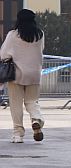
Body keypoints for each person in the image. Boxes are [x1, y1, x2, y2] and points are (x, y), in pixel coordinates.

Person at [1, 10, 45, 143]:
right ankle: (36, 120)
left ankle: (18, 134)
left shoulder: (13, 35)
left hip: (16, 73)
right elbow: (41, 50)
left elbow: (3, 55)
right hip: (35, 73)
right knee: (32, 101)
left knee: (16, 105)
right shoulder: (40, 34)